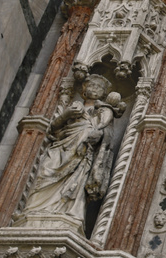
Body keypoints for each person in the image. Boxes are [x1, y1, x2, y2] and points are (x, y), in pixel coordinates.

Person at [18, 74, 123, 230]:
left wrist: (98, 135)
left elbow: (106, 133)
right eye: (92, 86)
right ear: (83, 89)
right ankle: (34, 210)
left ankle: (69, 214)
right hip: (63, 147)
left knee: (77, 180)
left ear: (104, 93)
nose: (95, 90)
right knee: (46, 171)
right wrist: (67, 114)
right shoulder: (74, 106)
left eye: (99, 88)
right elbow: (54, 127)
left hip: (83, 152)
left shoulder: (102, 111)